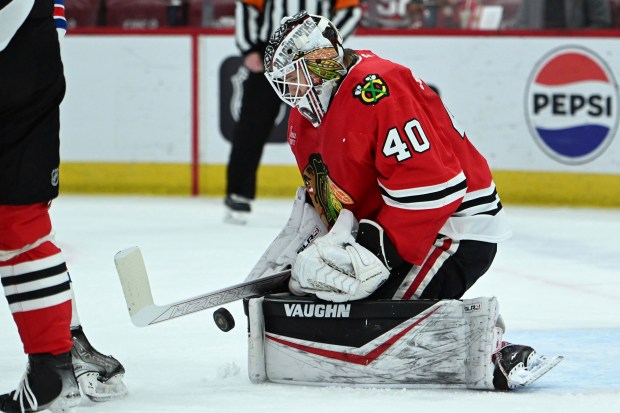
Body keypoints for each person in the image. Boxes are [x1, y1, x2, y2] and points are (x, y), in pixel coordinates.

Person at [248, 11, 562, 389]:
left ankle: (495, 349)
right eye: (283, 81)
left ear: (323, 60)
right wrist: (312, 242)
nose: (290, 90)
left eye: (295, 76)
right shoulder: (304, 120)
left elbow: (435, 185)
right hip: (395, 223)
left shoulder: (378, 88)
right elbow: (337, 198)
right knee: (327, 302)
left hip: (453, 228)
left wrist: (371, 248)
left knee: (365, 322)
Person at [0, 1, 127, 411]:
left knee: (17, 224)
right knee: (20, 225)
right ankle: (58, 360)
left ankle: (54, 366)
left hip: (17, 54)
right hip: (29, 50)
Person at [224, 0, 362, 224]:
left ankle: (341, 196)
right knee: (252, 126)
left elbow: (349, 11)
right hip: (273, 57)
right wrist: (249, 48)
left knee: (330, 128)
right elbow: (248, 6)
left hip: (317, 58)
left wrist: (327, 46)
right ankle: (238, 192)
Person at [513, 0, 612, 29]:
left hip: (577, 53)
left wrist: (577, 39)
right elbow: (521, 25)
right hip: (537, 53)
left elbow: (601, 23)